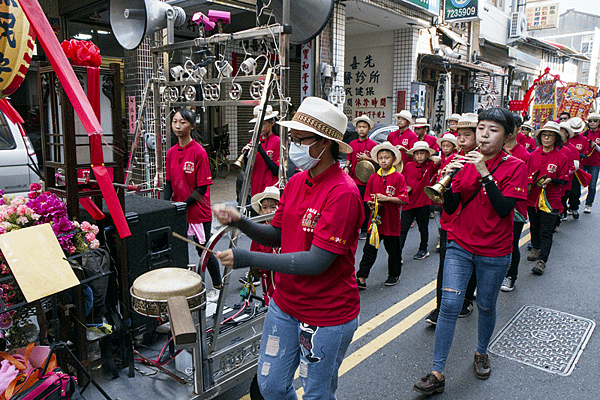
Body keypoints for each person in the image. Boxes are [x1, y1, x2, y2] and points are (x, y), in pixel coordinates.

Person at [213, 97, 363, 400]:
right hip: (285, 304)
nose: (291, 146)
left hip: (326, 314)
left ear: (324, 144)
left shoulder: (343, 193)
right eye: (291, 139)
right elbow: (277, 234)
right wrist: (240, 221)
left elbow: (316, 262)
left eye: (298, 140)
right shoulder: (295, 182)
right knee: (271, 386)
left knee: (316, 393)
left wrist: (246, 257)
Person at [413, 108, 527, 395]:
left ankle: (481, 351)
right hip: (460, 245)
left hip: (495, 251)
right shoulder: (461, 161)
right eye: (482, 128)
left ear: (507, 136)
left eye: (493, 129)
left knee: (487, 305)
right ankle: (437, 372)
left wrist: (485, 173)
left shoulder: (515, 166)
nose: (484, 134)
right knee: (449, 307)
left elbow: (504, 209)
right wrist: (449, 180)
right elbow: (451, 207)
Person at [425, 114, 478, 326]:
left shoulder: (484, 162)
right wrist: (447, 177)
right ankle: (440, 309)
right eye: (459, 135)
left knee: (472, 264)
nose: (462, 139)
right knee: (444, 267)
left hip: (472, 224)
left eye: (467, 135)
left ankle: (466, 298)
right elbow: (449, 204)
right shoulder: (455, 159)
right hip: (450, 223)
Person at [164, 108, 222, 302]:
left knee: (203, 250)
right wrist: (166, 206)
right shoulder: (171, 153)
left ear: (192, 125)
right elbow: (169, 183)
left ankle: (217, 285)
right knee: (178, 250)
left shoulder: (199, 152)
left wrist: (183, 204)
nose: (178, 126)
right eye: (175, 122)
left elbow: (202, 188)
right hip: (179, 212)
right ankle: (184, 289)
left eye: (183, 122)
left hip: (198, 211)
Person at [356, 141, 408, 289]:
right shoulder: (372, 178)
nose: (384, 160)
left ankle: (394, 274)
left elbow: (404, 199)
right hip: (375, 222)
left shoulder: (399, 177)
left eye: (387, 157)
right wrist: (371, 203)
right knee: (369, 250)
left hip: (391, 222)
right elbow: (367, 197)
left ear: (393, 160)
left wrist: (387, 199)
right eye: (381, 158)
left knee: (393, 251)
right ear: (377, 160)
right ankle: (361, 277)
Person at [526, 121, 569, 275]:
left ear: (556, 138)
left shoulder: (562, 157)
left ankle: (542, 260)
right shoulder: (532, 155)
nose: (547, 138)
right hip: (533, 198)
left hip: (551, 199)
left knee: (546, 231)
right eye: (544, 135)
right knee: (534, 226)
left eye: (550, 135)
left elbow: (564, 179)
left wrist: (552, 180)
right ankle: (536, 248)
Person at [500, 120, 531, 292]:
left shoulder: (524, 154)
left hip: (516, 208)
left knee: (512, 244)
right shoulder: (494, 150)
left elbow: (527, 186)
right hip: (492, 205)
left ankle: (511, 276)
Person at [240, 185, 281, 303]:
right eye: (265, 207)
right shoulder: (259, 232)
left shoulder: (287, 229)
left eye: (274, 207)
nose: (269, 211)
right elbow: (254, 257)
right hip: (269, 283)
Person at [400, 141, 438, 261]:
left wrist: (428, 155)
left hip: (423, 203)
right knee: (403, 229)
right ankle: (397, 253)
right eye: (417, 154)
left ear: (427, 155)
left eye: (422, 154)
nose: (420, 156)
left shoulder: (430, 166)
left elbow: (438, 161)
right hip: (409, 202)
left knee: (423, 228)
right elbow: (403, 181)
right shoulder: (408, 166)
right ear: (413, 155)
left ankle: (423, 249)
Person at [344, 115, 378, 240]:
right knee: (354, 204)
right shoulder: (352, 143)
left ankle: (365, 229)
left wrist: (366, 158)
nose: (361, 129)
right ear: (356, 129)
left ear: (368, 129)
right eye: (359, 127)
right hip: (354, 179)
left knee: (365, 205)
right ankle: (354, 227)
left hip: (368, 181)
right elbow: (348, 158)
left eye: (364, 127)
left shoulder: (373, 144)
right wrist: (346, 167)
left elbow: (377, 161)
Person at [243, 104, 280, 196]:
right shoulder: (254, 139)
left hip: (270, 188)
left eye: (262, 124)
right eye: (257, 124)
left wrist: (261, 151)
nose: (259, 127)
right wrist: (245, 155)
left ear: (272, 123)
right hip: (256, 186)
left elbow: (276, 170)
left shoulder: (277, 141)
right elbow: (247, 167)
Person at [565, 117, 590, 218]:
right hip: (564, 168)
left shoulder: (584, 139)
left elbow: (585, 155)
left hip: (576, 169)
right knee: (564, 191)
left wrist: (575, 154)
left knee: (575, 190)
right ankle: (563, 210)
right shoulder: (565, 139)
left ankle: (574, 207)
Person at [582, 112, 600, 213]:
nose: (592, 123)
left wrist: (595, 146)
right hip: (583, 162)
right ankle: (573, 204)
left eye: (595, 120)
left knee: (592, 185)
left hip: (595, 164)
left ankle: (588, 204)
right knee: (576, 183)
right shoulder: (584, 134)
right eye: (590, 121)